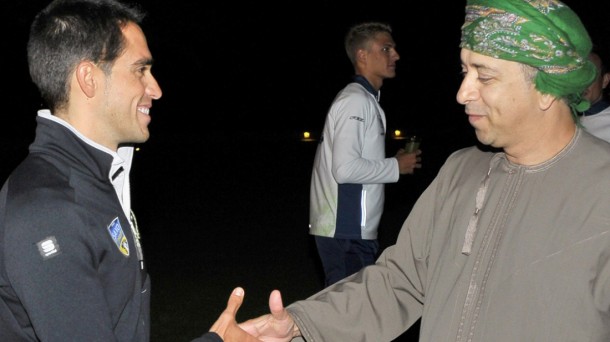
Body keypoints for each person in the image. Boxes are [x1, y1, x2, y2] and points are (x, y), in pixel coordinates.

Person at [239, 0, 610, 341]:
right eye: (464, 71)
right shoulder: (460, 172)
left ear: (546, 87)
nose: (462, 93)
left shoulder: (601, 190)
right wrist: (301, 323)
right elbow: (399, 282)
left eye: (484, 76)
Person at [0, 0, 257, 341]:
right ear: (88, 78)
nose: (156, 89)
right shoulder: (47, 211)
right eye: (140, 70)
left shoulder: (92, 176)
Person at [309, 22, 422, 287]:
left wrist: (390, 163)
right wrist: (395, 166)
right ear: (362, 56)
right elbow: (345, 169)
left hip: (347, 230)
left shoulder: (365, 100)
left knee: (348, 315)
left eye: (393, 48)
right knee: (351, 316)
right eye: (386, 48)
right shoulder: (357, 101)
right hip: (346, 231)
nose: (395, 55)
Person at [580, 45, 610, 142]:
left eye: (590, 75)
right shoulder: (565, 119)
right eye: (578, 75)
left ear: (605, 80)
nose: (583, 83)